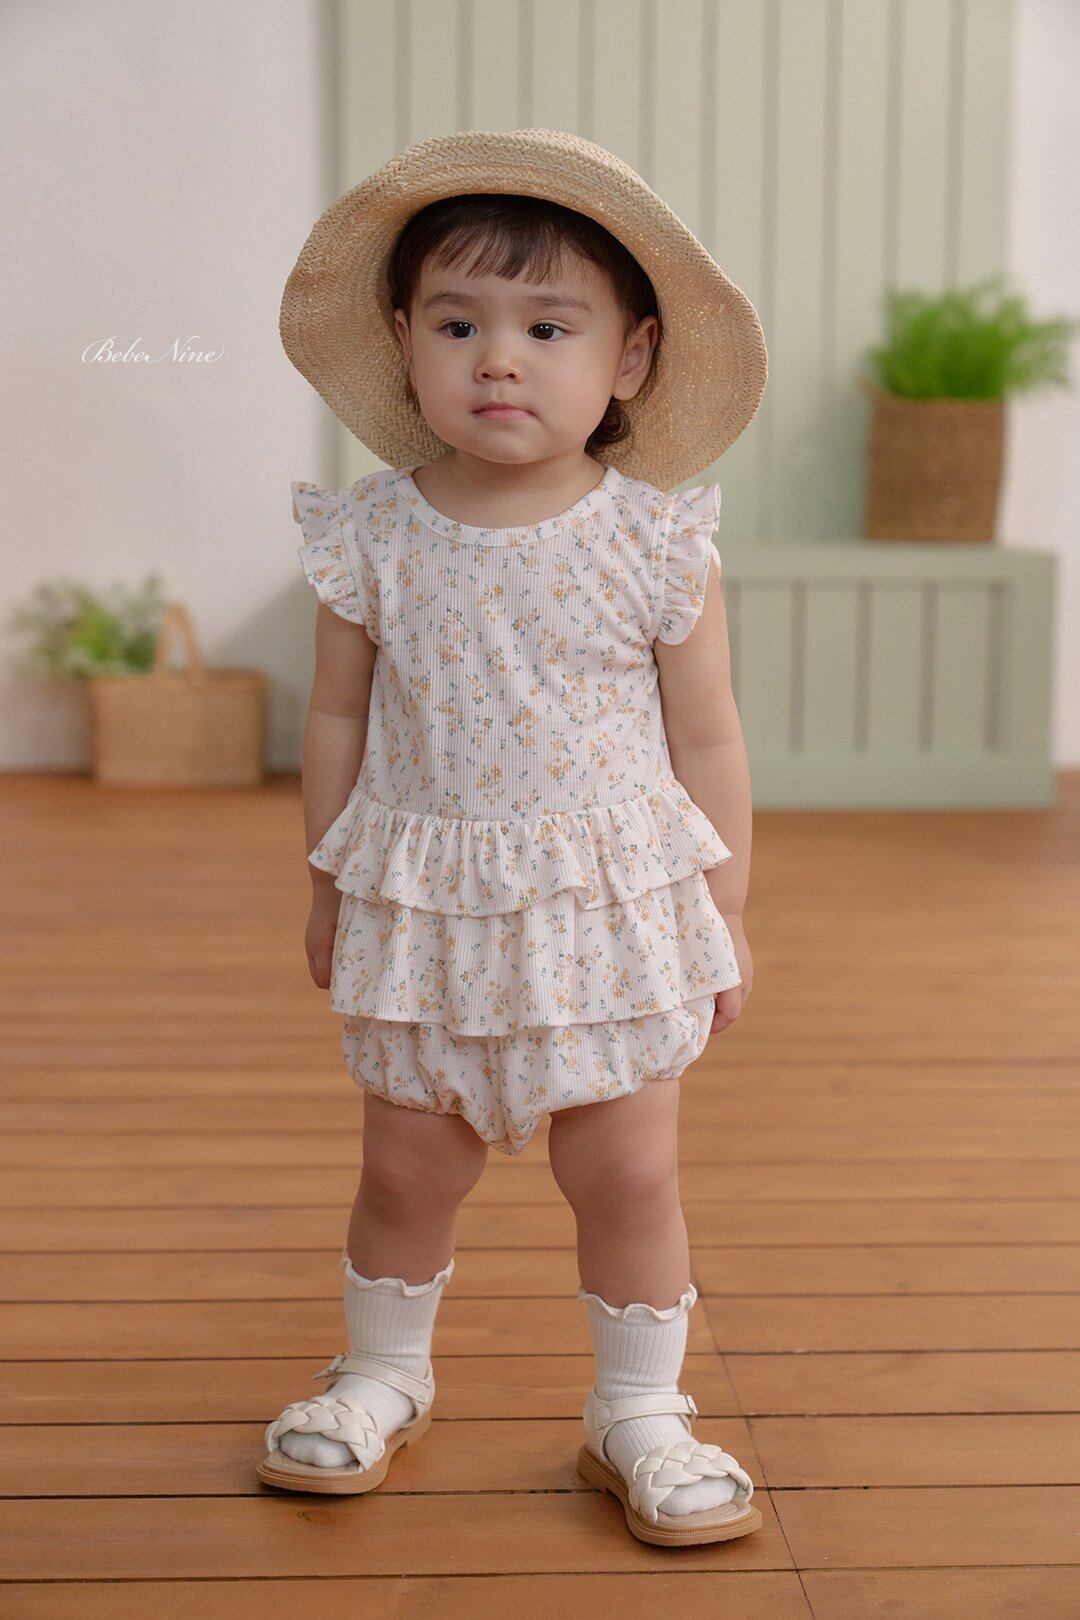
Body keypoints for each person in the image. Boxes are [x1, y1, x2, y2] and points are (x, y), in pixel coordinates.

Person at [257, 129, 768, 1547]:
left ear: (631, 358)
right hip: (427, 901)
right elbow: (340, 721)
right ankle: (383, 1373)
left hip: (609, 910)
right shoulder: (373, 537)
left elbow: (710, 740)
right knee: (407, 1168)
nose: (499, 359)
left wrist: (725, 912)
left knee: (629, 1173)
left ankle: (639, 1408)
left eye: (548, 328)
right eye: (458, 324)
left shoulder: (655, 543)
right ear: (403, 343)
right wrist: (328, 888)